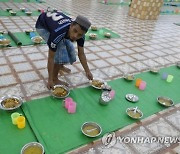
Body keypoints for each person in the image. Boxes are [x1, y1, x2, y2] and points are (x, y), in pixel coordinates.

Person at [35, 11, 93, 89]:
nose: (75, 36)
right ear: (71, 25)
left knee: (71, 51)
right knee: (60, 52)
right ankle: (55, 78)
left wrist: (87, 71)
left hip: (57, 25)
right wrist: (50, 79)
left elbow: (81, 54)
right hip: (42, 25)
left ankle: (59, 66)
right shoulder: (58, 33)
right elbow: (51, 57)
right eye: (75, 31)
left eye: (79, 34)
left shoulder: (80, 35)